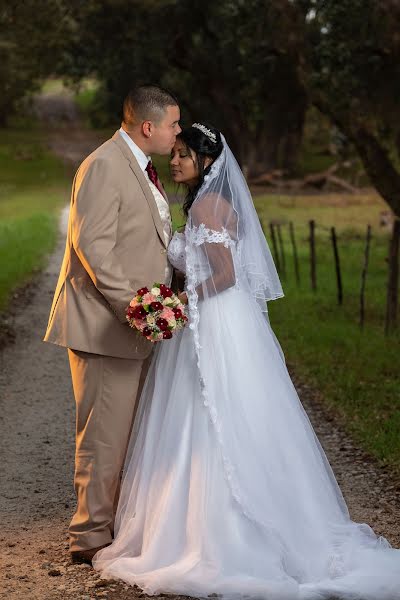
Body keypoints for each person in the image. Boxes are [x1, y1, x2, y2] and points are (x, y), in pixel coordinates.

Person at [93, 124, 400, 599]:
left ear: (207, 162)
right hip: (205, 318)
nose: (175, 162)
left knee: (213, 414)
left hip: (212, 321)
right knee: (198, 418)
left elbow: (224, 274)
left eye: (183, 155)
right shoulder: (200, 203)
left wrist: (178, 304)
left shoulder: (212, 205)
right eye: (173, 153)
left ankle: (226, 536)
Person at [43, 85, 181, 564]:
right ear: (148, 126)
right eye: (173, 124)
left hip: (129, 325)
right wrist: (141, 307)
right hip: (104, 326)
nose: (177, 132)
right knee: (102, 434)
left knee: (124, 432)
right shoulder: (104, 165)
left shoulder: (140, 166)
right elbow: (94, 248)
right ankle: (88, 538)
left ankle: (112, 526)